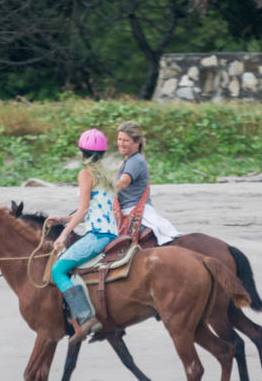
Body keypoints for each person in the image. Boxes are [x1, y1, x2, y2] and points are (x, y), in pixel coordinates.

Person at [50, 128, 120, 337]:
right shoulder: (106, 175)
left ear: (82, 152)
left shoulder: (85, 173)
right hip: (110, 233)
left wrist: (63, 236)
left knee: (58, 270)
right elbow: (95, 209)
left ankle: (85, 316)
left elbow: (84, 210)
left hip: (97, 236)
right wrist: (63, 219)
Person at [114, 120, 181, 245]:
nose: (121, 144)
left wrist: (100, 190)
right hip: (128, 210)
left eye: (126, 140)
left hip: (133, 211)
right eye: (119, 139)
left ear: (137, 142)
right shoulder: (129, 160)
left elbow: (123, 183)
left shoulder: (135, 161)